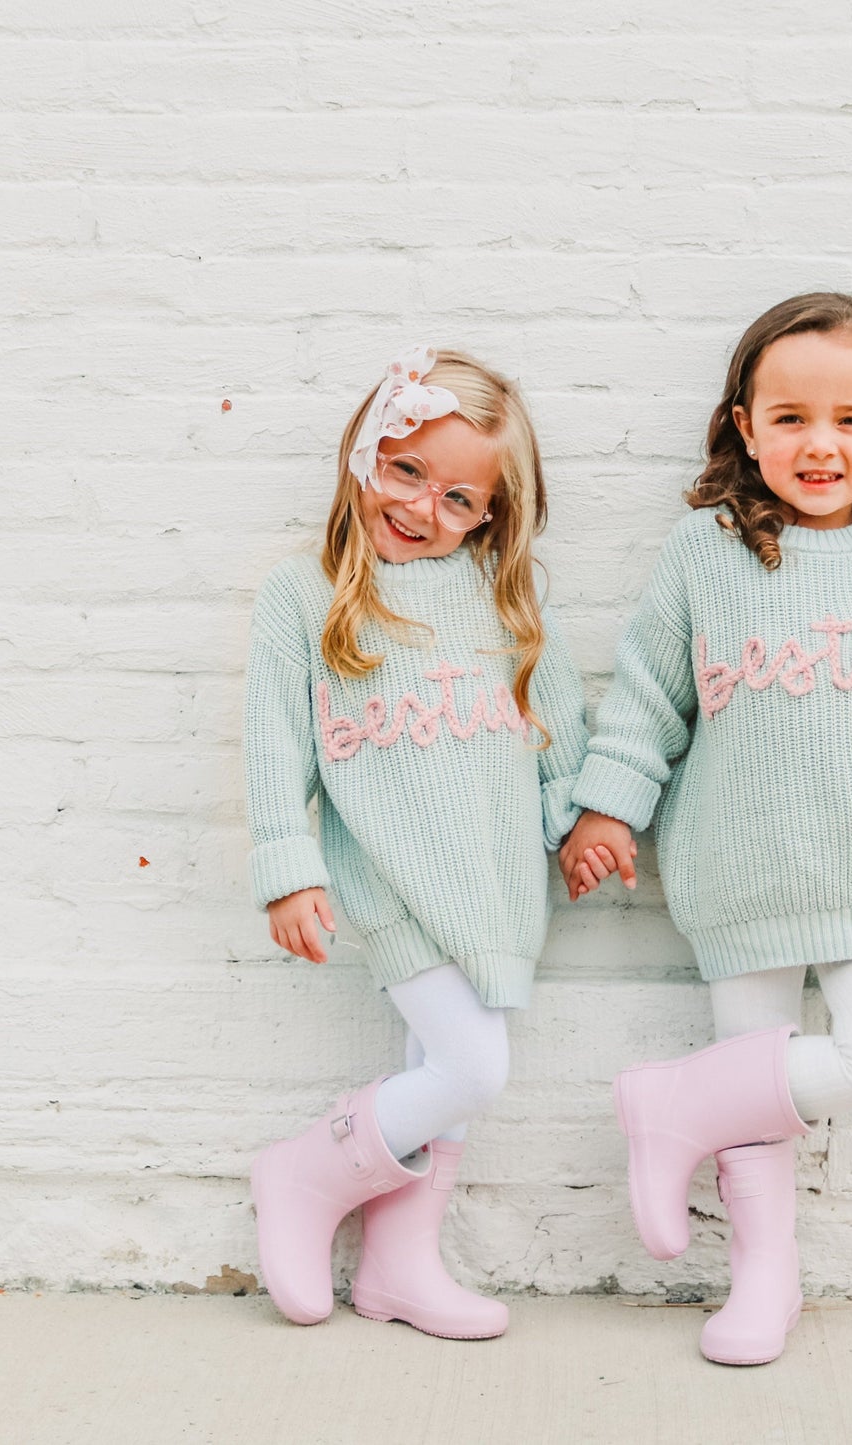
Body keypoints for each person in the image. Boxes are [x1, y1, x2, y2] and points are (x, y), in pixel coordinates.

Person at [561, 293, 852, 1365]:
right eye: (789, 418)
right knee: (757, 1118)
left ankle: (677, 1102)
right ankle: (761, 1278)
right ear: (744, 427)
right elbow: (647, 697)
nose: (819, 444)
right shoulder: (706, 552)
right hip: (739, 869)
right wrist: (606, 808)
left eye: (850, 419)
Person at [245, 345, 587, 1333]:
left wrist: (578, 824)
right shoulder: (304, 594)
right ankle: (304, 1170)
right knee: (472, 1067)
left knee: (440, 1076)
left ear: (489, 516)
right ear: (366, 452)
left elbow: (558, 725)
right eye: (405, 470)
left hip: (494, 886)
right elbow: (274, 744)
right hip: (390, 883)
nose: (420, 507)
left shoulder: (501, 600)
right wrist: (287, 869)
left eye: (458, 497)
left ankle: (397, 1266)